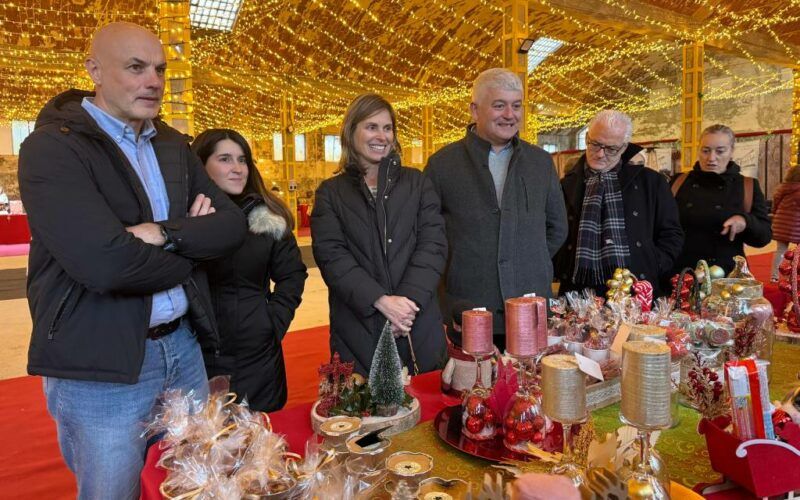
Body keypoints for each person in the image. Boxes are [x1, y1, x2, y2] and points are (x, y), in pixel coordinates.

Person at [17, 23, 247, 499]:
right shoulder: (53, 149)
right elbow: (105, 264)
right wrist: (189, 250)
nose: (154, 81)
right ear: (94, 71)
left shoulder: (171, 145)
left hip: (183, 350)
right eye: (136, 68)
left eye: (160, 69)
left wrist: (162, 233)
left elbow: (230, 226)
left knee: (198, 484)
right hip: (102, 364)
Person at [424, 68, 567, 351]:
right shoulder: (442, 166)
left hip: (529, 309)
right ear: (475, 110)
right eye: (499, 105)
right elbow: (428, 235)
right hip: (469, 307)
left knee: (530, 390)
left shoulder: (540, 163)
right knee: (472, 388)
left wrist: (525, 258)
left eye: (516, 106)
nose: (509, 115)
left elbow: (557, 227)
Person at [311, 93, 447, 376]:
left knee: (428, 411)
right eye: (371, 127)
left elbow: (433, 246)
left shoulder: (417, 183)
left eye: (387, 128)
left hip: (415, 324)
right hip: (359, 328)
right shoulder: (331, 193)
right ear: (351, 132)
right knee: (366, 413)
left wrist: (405, 306)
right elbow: (332, 257)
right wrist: (381, 301)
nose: (381, 136)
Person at [192, 129, 307, 412]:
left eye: (242, 160)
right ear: (201, 165)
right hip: (199, 354)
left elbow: (292, 276)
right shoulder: (185, 218)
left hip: (257, 354)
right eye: (225, 159)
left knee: (260, 443)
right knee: (205, 443)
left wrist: (271, 323)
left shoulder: (267, 221)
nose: (237, 168)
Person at [554, 110, 683, 298]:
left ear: (624, 148)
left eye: (611, 148)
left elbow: (672, 234)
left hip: (635, 288)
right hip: (578, 292)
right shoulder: (566, 185)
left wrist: (654, 263)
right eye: (594, 144)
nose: (599, 154)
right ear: (588, 138)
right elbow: (552, 232)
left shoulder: (651, 183)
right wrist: (561, 265)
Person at [671, 124, 771, 275]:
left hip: (726, 274)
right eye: (705, 151)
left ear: (731, 151)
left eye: (720, 151)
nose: (711, 158)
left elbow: (763, 237)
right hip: (680, 272)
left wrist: (745, 221)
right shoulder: (678, 182)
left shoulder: (747, 186)